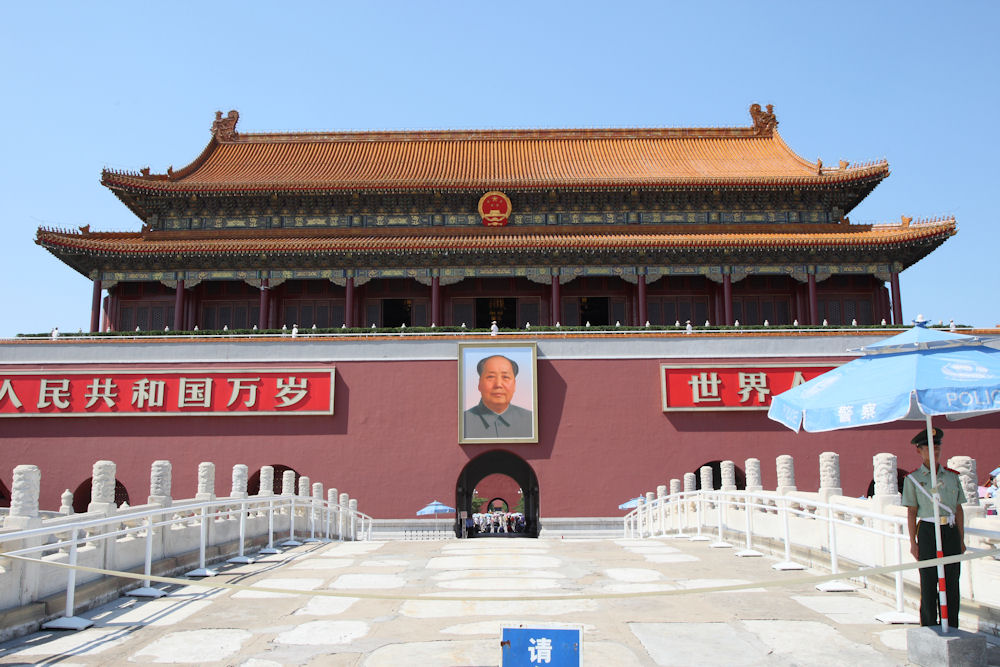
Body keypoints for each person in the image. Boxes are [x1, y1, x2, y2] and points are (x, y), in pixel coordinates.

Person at [901, 427, 967, 627]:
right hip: (928, 531)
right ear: (919, 450)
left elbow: (958, 508)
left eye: (937, 446)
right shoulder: (913, 479)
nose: (935, 450)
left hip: (950, 531)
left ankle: (952, 625)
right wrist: (913, 542)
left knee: (952, 580)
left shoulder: (952, 476)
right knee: (929, 581)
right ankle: (929, 626)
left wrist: (961, 538)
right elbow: (912, 511)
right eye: (929, 447)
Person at [463, 354, 533, 439]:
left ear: (514, 384)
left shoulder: (531, 421)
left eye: (505, 377)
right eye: (491, 377)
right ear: (479, 384)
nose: (498, 384)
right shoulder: (463, 422)